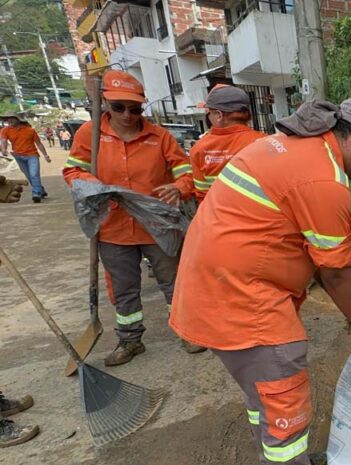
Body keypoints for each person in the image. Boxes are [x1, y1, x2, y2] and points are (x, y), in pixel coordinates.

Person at [170, 96, 351, 465]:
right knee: (285, 403)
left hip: (217, 288)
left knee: (264, 400)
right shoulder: (322, 179)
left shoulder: (289, 147)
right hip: (243, 299)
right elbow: (334, 272)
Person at [63, 71, 205, 366]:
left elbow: (184, 169)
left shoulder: (159, 136)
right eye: (119, 108)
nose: (128, 115)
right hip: (113, 227)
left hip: (156, 225)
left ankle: (187, 331)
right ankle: (130, 340)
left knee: (174, 281)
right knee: (124, 287)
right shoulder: (90, 135)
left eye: (135, 109)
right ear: (105, 103)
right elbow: (73, 171)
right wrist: (93, 186)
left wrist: (180, 187)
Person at [189, 84, 265, 203]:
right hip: (263, 218)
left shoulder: (199, 149)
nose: (208, 117)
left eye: (209, 113)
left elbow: (202, 196)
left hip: (221, 218)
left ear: (219, 115)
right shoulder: (265, 143)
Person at [0, 113, 51, 203]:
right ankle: (41, 190)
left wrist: (46, 155)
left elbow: (38, 143)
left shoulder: (30, 130)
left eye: (12, 118)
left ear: (18, 119)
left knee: (34, 174)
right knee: (29, 176)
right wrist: (3, 149)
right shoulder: (5, 130)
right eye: (8, 119)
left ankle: (36, 194)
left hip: (32, 156)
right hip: (18, 156)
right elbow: (3, 141)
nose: (9, 121)